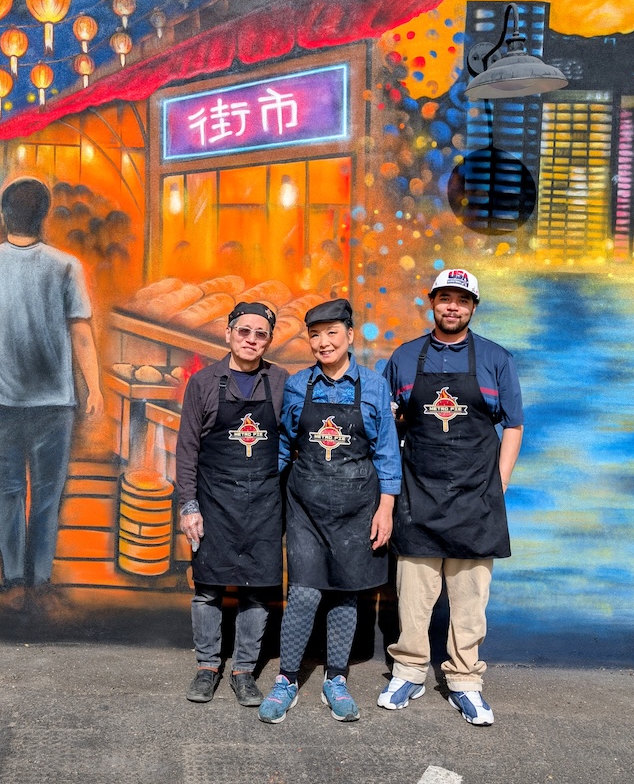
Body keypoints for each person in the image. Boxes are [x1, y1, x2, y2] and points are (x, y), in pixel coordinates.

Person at [377, 268, 523, 726]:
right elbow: (387, 425)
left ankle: (465, 681)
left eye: (462, 300)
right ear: (433, 303)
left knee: (469, 601)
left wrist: (497, 485)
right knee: (413, 597)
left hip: (475, 500)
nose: (452, 306)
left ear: (473, 307)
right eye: (445, 298)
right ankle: (409, 672)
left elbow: (513, 425)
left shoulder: (497, 359)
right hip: (418, 496)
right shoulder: (403, 358)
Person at [0, 177, 102, 612]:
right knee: (49, 494)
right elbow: (82, 332)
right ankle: (41, 575)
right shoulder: (67, 266)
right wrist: (92, 387)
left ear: (3, 214)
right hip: (55, 400)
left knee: (7, 491)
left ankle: (13, 574)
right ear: (44, 216)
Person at [258, 298, 401, 724]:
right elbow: (284, 445)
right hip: (305, 505)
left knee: (345, 594)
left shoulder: (374, 387)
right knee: (302, 592)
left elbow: (387, 453)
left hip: (359, 506)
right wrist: (262, 495)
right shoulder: (299, 385)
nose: (322, 342)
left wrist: (386, 508)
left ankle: (335, 679)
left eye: (331, 333)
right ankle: (286, 680)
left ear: (350, 335)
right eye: (315, 334)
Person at [177, 301, 289, 707]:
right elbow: (187, 449)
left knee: (257, 591)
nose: (251, 339)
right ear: (228, 334)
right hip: (214, 500)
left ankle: (244, 671)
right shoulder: (203, 383)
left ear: (269, 340)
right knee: (208, 589)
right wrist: (189, 505)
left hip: (263, 503)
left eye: (260, 334)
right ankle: (207, 667)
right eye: (244, 331)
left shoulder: (281, 382)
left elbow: (292, 441)